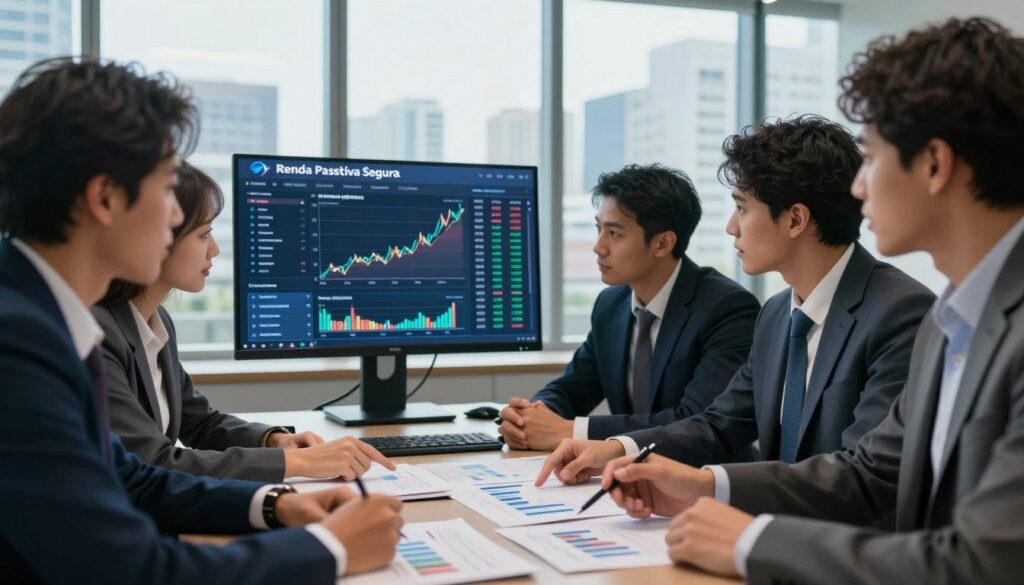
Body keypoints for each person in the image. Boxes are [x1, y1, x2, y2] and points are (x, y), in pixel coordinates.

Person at [599, 17, 1024, 584]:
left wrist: (753, 541)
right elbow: (871, 473)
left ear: (934, 164)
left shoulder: (924, 315)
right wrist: (705, 485)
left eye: (871, 157)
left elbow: (986, 563)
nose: (857, 187)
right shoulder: (952, 320)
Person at [0, 57, 401, 583]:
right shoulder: (17, 344)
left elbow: (134, 480)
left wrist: (275, 505)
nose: (175, 217)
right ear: (103, 197)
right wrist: (331, 550)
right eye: (168, 188)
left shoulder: (44, 318)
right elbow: (129, 571)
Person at [536, 115, 934, 485]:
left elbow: (862, 474)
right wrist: (617, 449)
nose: (730, 227)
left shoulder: (900, 314)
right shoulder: (778, 315)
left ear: (795, 219)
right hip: (776, 529)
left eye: (741, 207)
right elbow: (718, 424)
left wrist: (710, 487)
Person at [94, 161, 394, 482]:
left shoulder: (155, 322)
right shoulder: (100, 333)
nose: (215, 249)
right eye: (203, 234)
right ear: (158, 236)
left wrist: (275, 440)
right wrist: (297, 464)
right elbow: (154, 462)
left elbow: (201, 424)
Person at [498, 163, 760, 451]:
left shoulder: (727, 308)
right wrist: (529, 417)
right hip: (624, 477)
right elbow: (572, 388)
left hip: (702, 478)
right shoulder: (610, 305)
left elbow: (694, 420)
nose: (598, 247)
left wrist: (572, 430)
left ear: (663, 243)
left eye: (615, 234)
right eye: (599, 229)